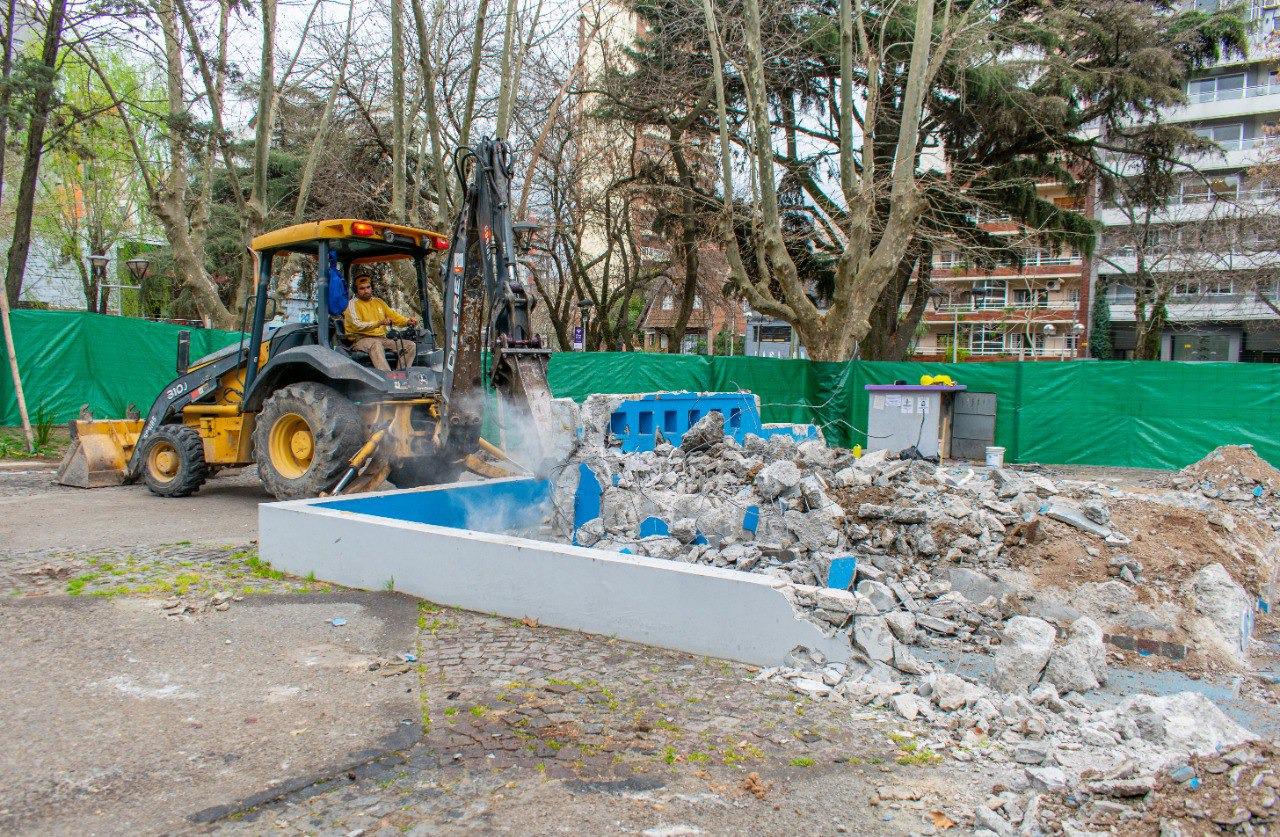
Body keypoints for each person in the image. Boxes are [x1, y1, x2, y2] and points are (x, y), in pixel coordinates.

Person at [343, 270, 419, 371]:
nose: (366, 291)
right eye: (362, 288)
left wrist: (407, 321)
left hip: (382, 339)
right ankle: (386, 376)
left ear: (372, 288)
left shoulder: (379, 302)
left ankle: (401, 374)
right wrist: (379, 323)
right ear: (356, 290)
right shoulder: (351, 304)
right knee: (376, 344)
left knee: (410, 345)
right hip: (361, 340)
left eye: (368, 287)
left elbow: (394, 316)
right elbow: (357, 325)